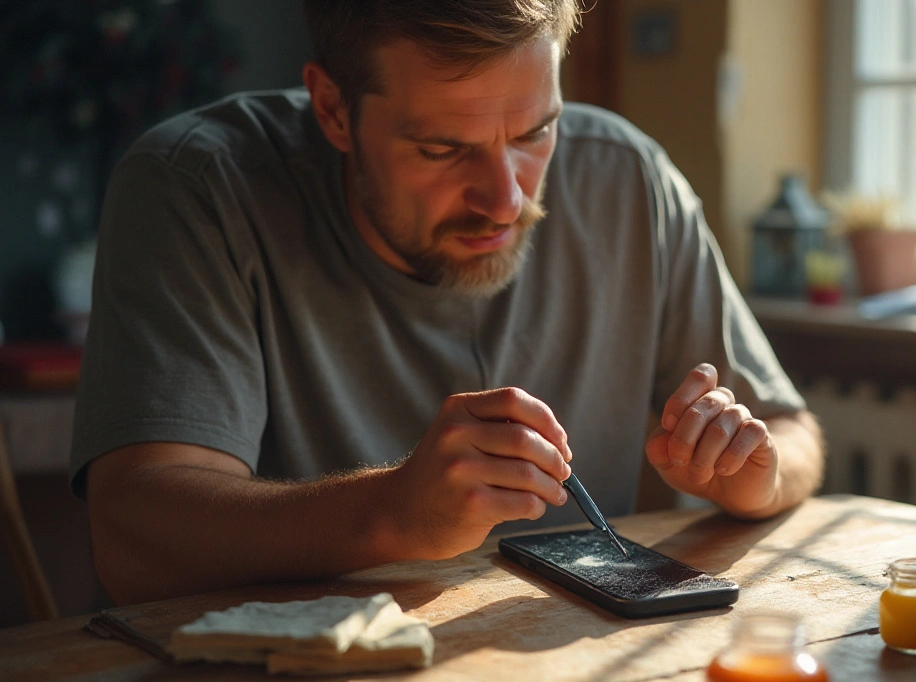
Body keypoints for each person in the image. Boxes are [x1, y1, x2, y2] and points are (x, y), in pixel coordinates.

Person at [71, 0, 825, 606]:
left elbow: (793, 432)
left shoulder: (629, 178)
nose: (506, 200)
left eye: (535, 132)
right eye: (442, 149)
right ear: (333, 109)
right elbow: (135, 538)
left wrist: (754, 475)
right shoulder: (198, 188)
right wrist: (393, 513)